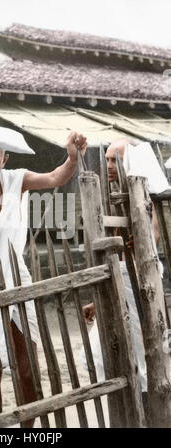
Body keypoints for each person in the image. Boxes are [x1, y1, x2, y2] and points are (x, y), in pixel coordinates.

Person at [0, 125, 87, 425]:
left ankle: (28, 427)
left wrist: (72, 158)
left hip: (13, 270)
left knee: (27, 360)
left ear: (4, 160)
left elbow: (55, 177)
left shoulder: (16, 180)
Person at [82, 138, 160, 412]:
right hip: (123, 279)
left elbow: (149, 239)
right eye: (107, 159)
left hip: (140, 279)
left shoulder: (143, 197)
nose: (109, 165)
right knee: (107, 349)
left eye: (115, 159)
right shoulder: (115, 198)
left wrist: (136, 246)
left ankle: (148, 407)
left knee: (141, 345)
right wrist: (98, 300)